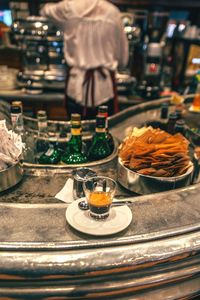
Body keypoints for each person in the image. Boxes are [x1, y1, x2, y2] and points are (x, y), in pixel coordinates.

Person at [40, 0, 128, 119]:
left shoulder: (67, 8)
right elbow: (123, 58)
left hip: (76, 87)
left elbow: (45, 10)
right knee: (103, 133)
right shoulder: (113, 12)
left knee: (76, 132)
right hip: (104, 89)